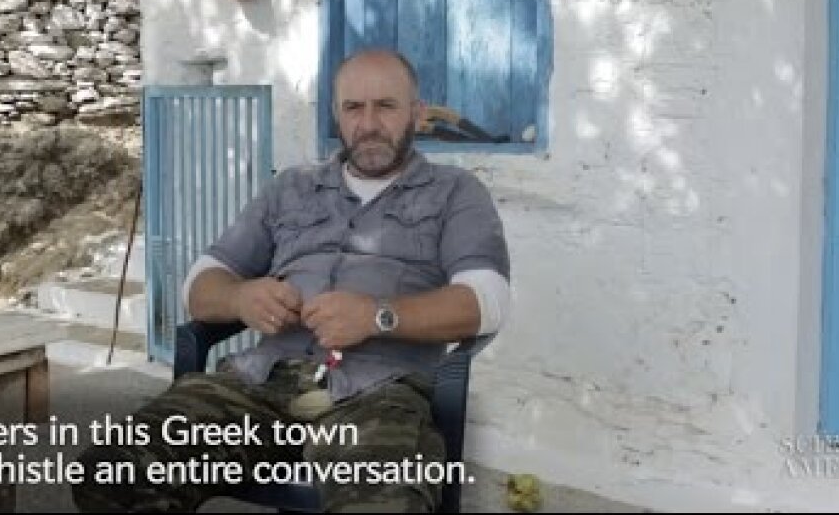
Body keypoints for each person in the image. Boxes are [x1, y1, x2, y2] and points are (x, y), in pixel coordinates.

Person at [71, 48, 512, 513]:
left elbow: (489, 300)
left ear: (417, 115)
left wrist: (378, 316)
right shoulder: (291, 188)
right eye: (353, 108)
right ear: (337, 116)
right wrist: (242, 298)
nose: (369, 123)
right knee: (114, 474)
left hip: (378, 396)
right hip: (258, 386)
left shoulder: (455, 192)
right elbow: (199, 287)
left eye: (386, 106)